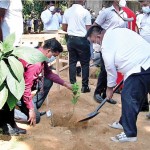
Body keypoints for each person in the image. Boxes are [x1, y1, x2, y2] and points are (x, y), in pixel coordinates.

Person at [87, 25, 150, 142]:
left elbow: (110, 69)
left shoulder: (106, 44)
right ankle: (123, 122)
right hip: (143, 62)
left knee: (128, 97)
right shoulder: (117, 31)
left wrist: (109, 89)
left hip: (140, 67)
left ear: (99, 36)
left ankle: (130, 134)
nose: (95, 44)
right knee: (133, 95)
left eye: (94, 41)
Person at [17, 38, 72, 126]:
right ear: (48, 51)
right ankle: (11, 113)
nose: (53, 58)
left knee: (47, 81)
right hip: (17, 91)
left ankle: (29, 105)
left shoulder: (39, 54)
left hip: (23, 86)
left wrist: (65, 83)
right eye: (54, 55)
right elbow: (26, 88)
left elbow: (48, 74)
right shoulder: (36, 63)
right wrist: (31, 110)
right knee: (36, 119)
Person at [93, 0, 127, 104]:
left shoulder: (124, 14)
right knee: (105, 69)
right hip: (107, 45)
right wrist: (98, 39)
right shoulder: (106, 12)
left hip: (118, 46)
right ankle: (97, 93)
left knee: (113, 70)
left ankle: (106, 95)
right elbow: (95, 26)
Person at [0, 0, 26, 135]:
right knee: (6, 88)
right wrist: (2, 47)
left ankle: (10, 122)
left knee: (12, 87)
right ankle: (5, 124)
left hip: (14, 47)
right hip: (7, 48)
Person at [62, 0, 92, 93]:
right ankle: (85, 86)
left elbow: (64, 27)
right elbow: (89, 29)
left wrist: (72, 29)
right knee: (85, 64)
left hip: (71, 39)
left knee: (72, 63)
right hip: (82, 39)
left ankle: (73, 86)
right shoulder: (85, 12)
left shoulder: (67, 11)